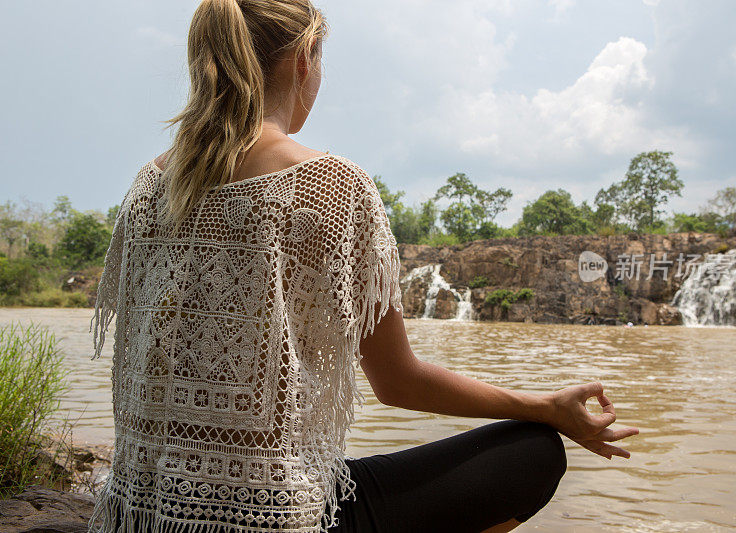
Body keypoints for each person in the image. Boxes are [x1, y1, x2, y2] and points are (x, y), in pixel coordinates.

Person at [87, 1, 639, 532]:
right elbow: (398, 382)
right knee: (531, 452)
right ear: (305, 58)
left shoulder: (148, 186)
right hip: (268, 518)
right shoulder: (330, 187)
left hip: (135, 512)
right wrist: (544, 406)